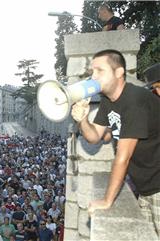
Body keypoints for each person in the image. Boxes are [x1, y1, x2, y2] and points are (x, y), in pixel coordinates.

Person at [71, 49, 160, 236]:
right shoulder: (108, 100)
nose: (93, 76)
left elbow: (123, 157)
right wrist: (83, 120)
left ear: (119, 73)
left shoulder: (134, 99)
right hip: (146, 187)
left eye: (99, 71)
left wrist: (107, 200)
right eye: (91, 71)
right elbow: (95, 136)